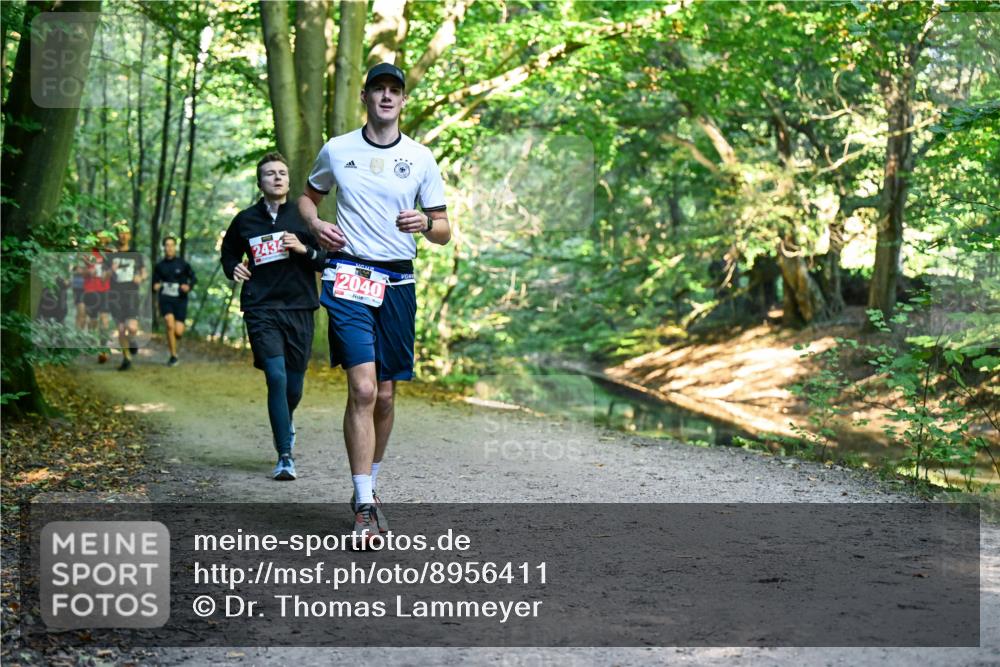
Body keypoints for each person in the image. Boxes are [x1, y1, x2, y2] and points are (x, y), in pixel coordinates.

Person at [298, 63, 452, 541]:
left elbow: (444, 230)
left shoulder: (421, 157)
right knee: (363, 389)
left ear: (403, 101)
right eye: (378, 90)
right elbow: (308, 197)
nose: (386, 97)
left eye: (395, 91)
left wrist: (425, 226)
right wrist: (315, 225)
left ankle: (371, 484)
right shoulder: (338, 149)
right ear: (364, 96)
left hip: (399, 282)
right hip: (348, 275)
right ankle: (363, 502)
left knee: (385, 395)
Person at [220, 151, 328, 481]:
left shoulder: (304, 216)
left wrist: (304, 250)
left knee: (293, 386)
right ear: (260, 181)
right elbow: (228, 254)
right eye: (270, 173)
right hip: (261, 307)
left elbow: (326, 259)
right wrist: (233, 268)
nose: (277, 177)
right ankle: (284, 455)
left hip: (299, 307)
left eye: (282, 172)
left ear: (288, 179)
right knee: (276, 378)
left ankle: (286, 421)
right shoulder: (245, 220)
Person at [152, 236, 197, 366]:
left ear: (175, 247)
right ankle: (173, 355)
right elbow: (154, 283)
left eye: (172, 245)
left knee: (178, 331)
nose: (169, 247)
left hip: (180, 299)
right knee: (169, 323)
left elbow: (193, 278)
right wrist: (155, 286)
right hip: (165, 299)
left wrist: (188, 286)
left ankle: (174, 339)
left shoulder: (183, 264)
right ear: (164, 248)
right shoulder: (159, 266)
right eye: (167, 245)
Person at [109, 226, 147, 371]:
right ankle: (126, 358)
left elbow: (144, 273)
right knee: (120, 328)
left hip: (131, 294)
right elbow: (104, 275)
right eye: (120, 233)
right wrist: (110, 270)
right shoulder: (111, 255)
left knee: (131, 327)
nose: (123, 236)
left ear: (129, 236)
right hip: (115, 295)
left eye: (125, 233)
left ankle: (132, 342)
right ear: (117, 236)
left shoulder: (135, 254)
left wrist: (140, 277)